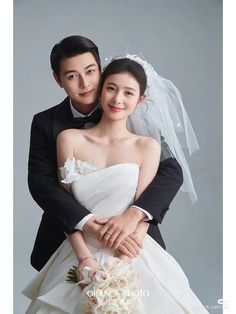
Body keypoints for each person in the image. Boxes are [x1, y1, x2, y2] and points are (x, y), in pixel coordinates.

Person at [23, 57, 208, 313]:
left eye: (128, 93)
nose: (117, 99)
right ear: (101, 91)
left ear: (140, 101)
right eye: (111, 88)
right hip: (77, 248)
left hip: (132, 247)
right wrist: (85, 258)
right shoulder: (68, 138)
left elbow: (148, 198)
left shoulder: (148, 146)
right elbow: (57, 196)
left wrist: (121, 265)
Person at [28, 35, 183, 271]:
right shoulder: (46, 124)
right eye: (72, 76)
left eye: (90, 72)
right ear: (57, 79)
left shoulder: (127, 108)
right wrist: (87, 223)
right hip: (68, 237)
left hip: (130, 239)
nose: (85, 83)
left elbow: (171, 170)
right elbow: (41, 184)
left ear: (100, 70)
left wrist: (135, 214)